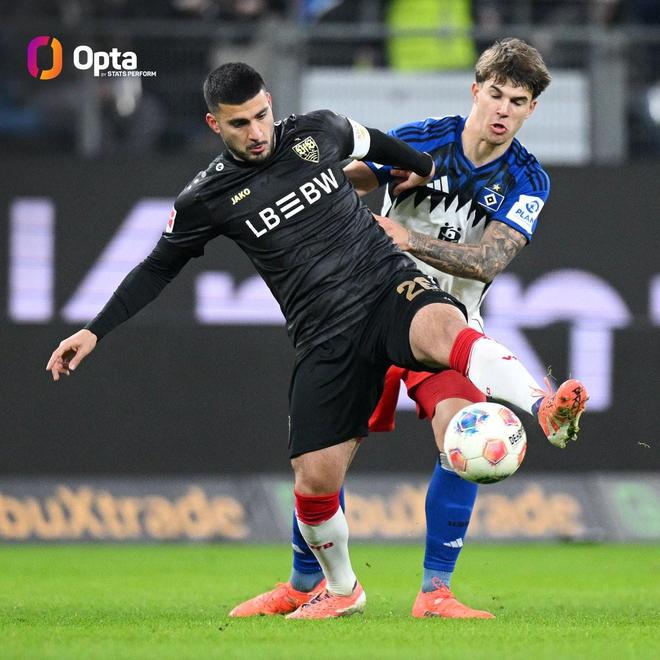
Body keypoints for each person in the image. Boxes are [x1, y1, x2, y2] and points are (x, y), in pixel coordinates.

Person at [46, 59, 587, 620]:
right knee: (314, 476)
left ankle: (538, 413)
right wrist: (94, 329)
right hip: (325, 331)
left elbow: (375, 146)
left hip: (390, 288)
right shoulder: (206, 198)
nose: (257, 132)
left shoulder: (318, 130)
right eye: (240, 124)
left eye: (262, 115)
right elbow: (158, 265)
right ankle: (330, 587)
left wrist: (418, 169)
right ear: (214, 124)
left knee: (455, 370)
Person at [228, 38, 579, 620]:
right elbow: (342, 183)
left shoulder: (527, 179)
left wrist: (407, 236)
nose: (502, 110)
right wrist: (370, 179)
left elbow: (489, 261)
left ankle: (435, 592)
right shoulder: (423, 139)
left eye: (517, 101)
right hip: (367, 312)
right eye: (495, 94)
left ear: (531, 109)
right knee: (323, 459)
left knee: (464, 433)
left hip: (443, 330)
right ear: (475, 91)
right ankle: (304, 584)